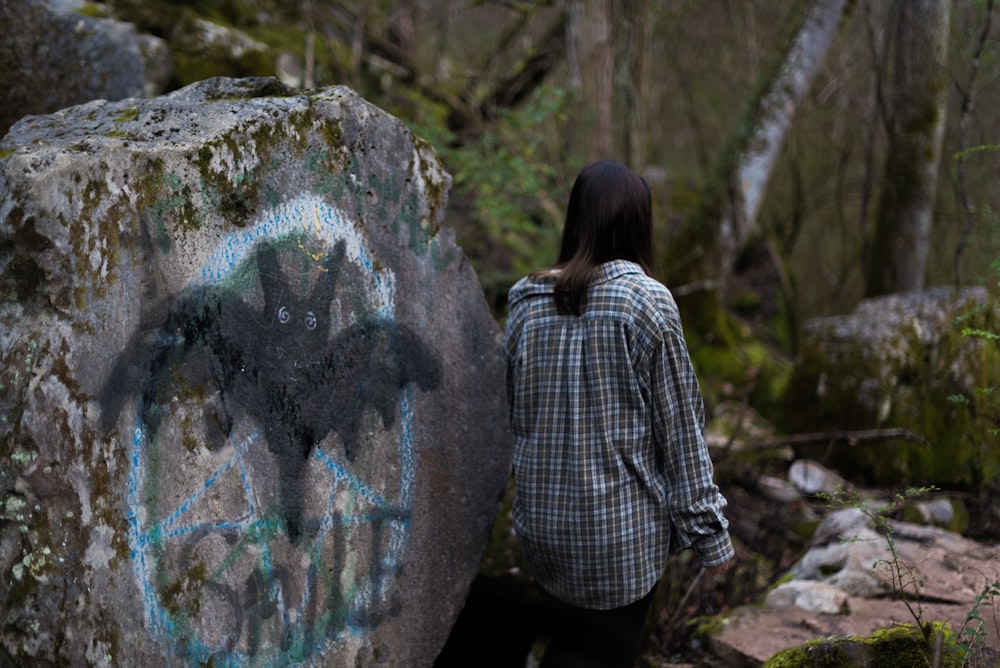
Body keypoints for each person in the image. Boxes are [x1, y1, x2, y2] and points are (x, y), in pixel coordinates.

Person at [502, 160, 734, 668]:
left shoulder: (525, 299)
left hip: (542, 533)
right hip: (617, 541)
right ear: (637, 223)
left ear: (576, 219)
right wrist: (711, 538)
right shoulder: (646, 302)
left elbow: (511, 420)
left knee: (568, 648)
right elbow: (682, 432)